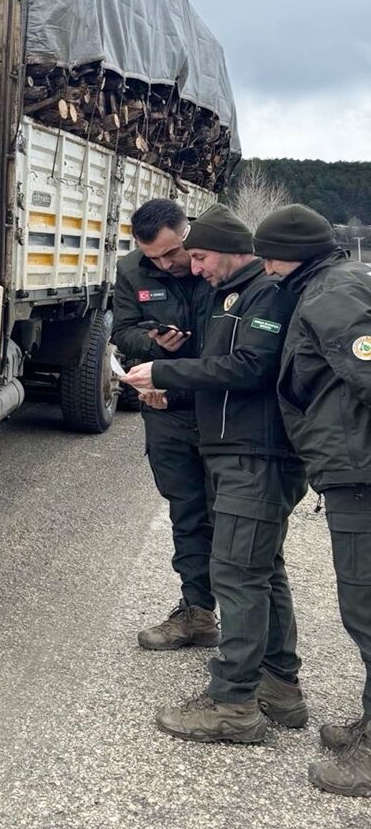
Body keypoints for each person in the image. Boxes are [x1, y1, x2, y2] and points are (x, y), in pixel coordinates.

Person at [124, 204, 309, 743]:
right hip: (236, 447)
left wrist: (165, 369)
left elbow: (249, 368)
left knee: (237, 573)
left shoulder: (264, 294)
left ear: (230, 249)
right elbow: (219, 367)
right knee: (262, 568)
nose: (194, 267)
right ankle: (280, 687)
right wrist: (166, 380)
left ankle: (233, 703)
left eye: (198, 256)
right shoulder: (236, 293)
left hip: (256, 454)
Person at [253, 203, 371, 796]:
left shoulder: (329, 297)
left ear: (291, 254)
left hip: (362, 473)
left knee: (366, 609)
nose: (264, 268)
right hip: (352, 468)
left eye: (268, 255)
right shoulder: (333, 282)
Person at [111, 199, 218, 650]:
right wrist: (152, 341)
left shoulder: (213, 263)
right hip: (167, 409)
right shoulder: (131, 270)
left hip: (221, 409)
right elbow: (121, 331)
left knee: (236, 518)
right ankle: (197, 613)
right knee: (188, 513)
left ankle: (258, 633)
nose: (165, 264)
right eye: (152, 256)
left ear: (187, 232)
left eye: (172, 253)